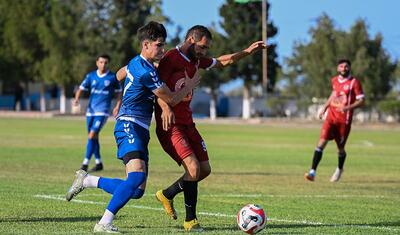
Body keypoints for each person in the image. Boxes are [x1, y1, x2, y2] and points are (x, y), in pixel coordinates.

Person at [65, 21, 201, 233]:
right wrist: (190, 85)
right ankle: (103, 223)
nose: (163, 49)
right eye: (159, 45)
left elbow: (120, 74)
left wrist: (120, 99)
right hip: (129, 124)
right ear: (145, 44)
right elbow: (172, 99)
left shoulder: (137, 64)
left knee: (136, 190)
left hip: (139, 128)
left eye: (164, 45)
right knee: (136, 177)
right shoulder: (146, 72)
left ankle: (88, 180)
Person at [153, 25, 266, 231]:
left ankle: (167, 194)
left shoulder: (196, 60)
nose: (204, 52)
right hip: (171, 125)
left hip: (188, 124)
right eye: (202, 47)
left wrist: (247, 52)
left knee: (204, 170)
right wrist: (164, 107)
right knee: (193, 168)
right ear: (190, 40)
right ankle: (191, 221)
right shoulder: (170, 58)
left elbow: (224, 61)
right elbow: (155, 86)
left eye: (206, 49)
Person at [304, 59, 364, 182]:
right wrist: (324, 108)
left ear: (349, 68)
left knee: (340, 149)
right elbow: (333, 94)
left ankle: (339, 169)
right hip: (331, 117)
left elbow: (362, 101)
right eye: (341, 66)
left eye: (346, 66)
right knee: (321, 143)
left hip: (344, 121)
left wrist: (347, 107)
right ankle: (312, 172)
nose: (344, 68)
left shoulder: (354, 82)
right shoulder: (335, 80)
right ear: (338, 68)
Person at [73, 54, 122, 172]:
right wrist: (76, 99)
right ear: (97, 63)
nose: (103, 64)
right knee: (93, 137)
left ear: (108, 63)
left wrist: (117, 106)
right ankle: (98, 162)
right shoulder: (91, 76)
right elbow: (81, 88)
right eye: (101, 62)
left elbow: (120, 92)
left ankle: (85, 164)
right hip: (91, 111)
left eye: (105, 62)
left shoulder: (112, 77)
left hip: (103, 112)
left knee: (91, 135)